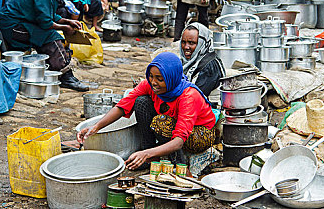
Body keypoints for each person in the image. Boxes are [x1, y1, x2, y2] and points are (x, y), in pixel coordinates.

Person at [77, 52, 218, 170]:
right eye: (151, 76)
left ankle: (178, 164)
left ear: (171, 78)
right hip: (173, 124)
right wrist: (96, 127)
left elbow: (179, 141)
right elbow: (122, 106)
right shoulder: (149, 85)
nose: (154, 82)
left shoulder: (188, 96)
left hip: (200, 133)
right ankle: (151, 157)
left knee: (161, 123)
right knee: (141, 102)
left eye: (160, 79)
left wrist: (145, 153)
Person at [0, 0, 89, 92]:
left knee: (47, 34)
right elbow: (46, 23)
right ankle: (66, 76)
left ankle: (56, 71)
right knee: (49, 36)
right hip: (11, 26)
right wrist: (65, 28)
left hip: (21, 23)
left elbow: (50, 15)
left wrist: (67, 21)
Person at [180, 23, 226, 97]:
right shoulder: (190, 61)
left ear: (202, 43)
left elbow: (195, 96)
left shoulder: (209, 66)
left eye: (191, 43)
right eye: (183, 42)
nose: (186, 47)